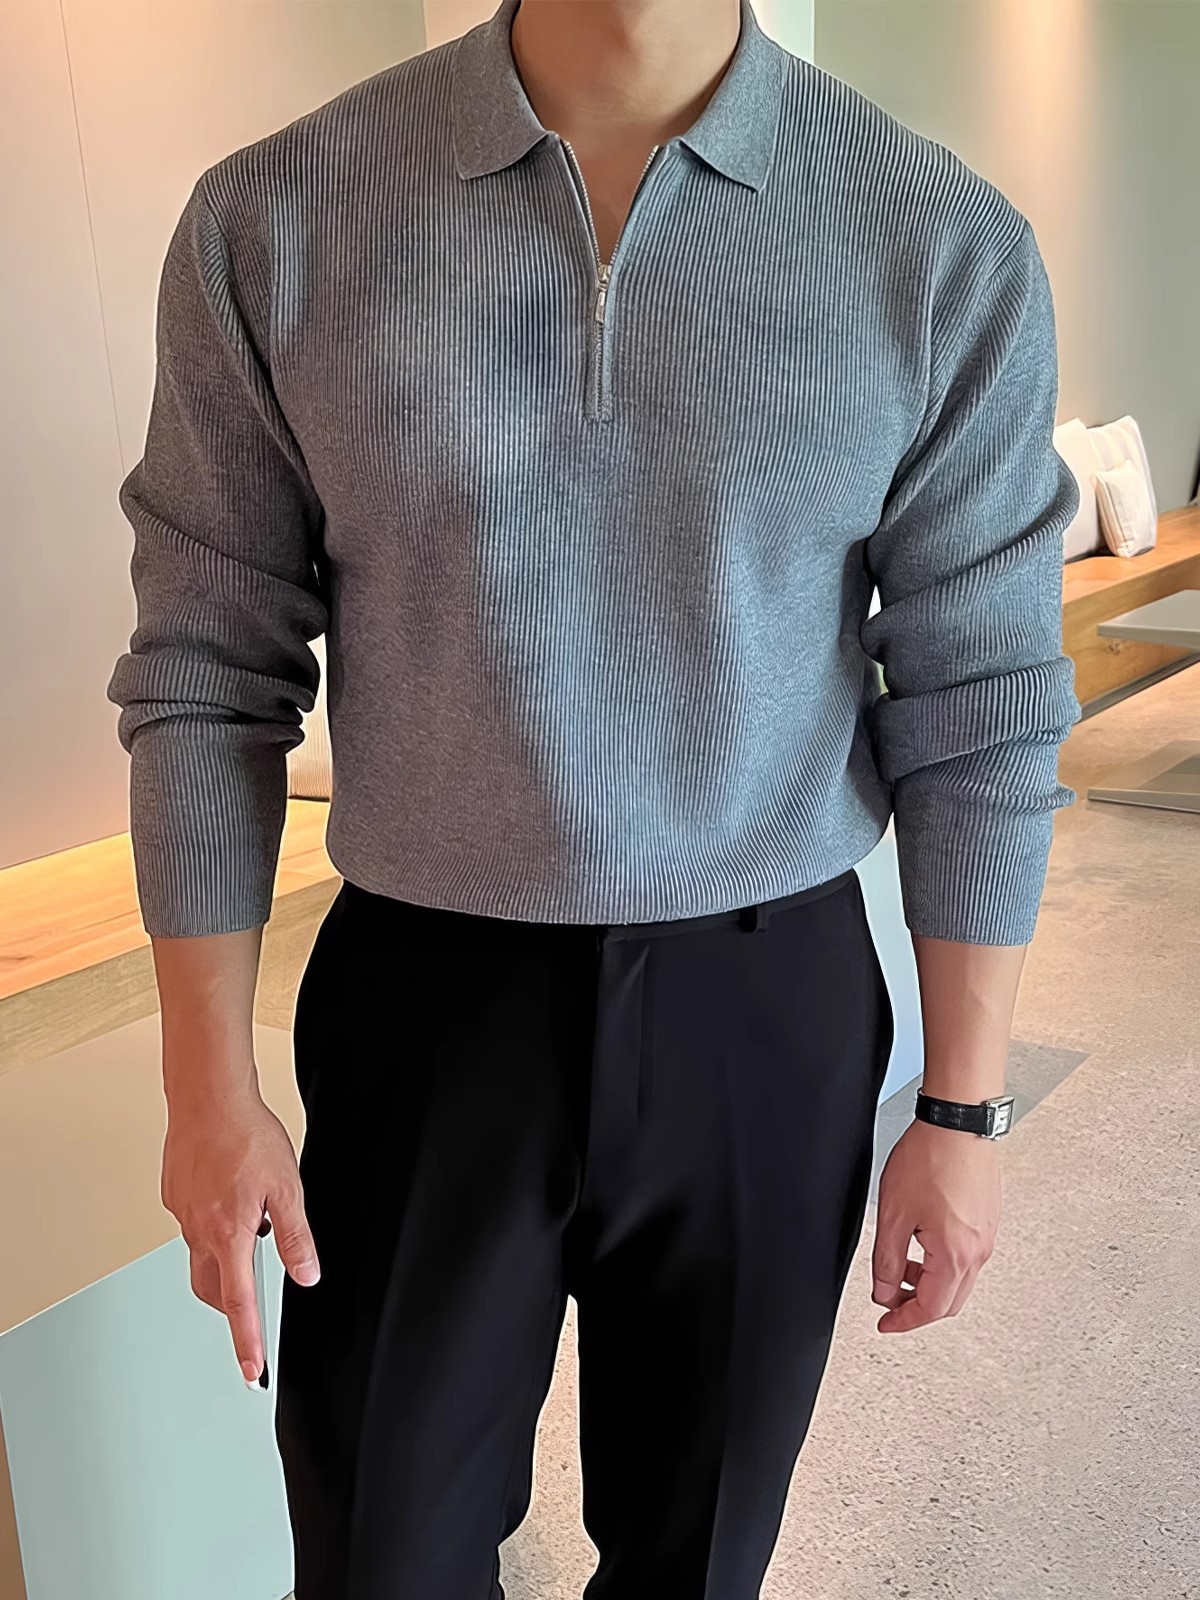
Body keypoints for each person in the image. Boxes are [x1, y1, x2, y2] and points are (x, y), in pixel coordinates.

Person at [107, 0, 1080, 1594]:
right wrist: (204, 1092)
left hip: (765, 1005)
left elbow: (981, 704)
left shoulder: (940, 245)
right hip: (426, 1008)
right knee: (379, 1556)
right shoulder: (277, 215)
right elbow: (206, 671)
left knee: (698, 1558)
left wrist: (963, 1112)